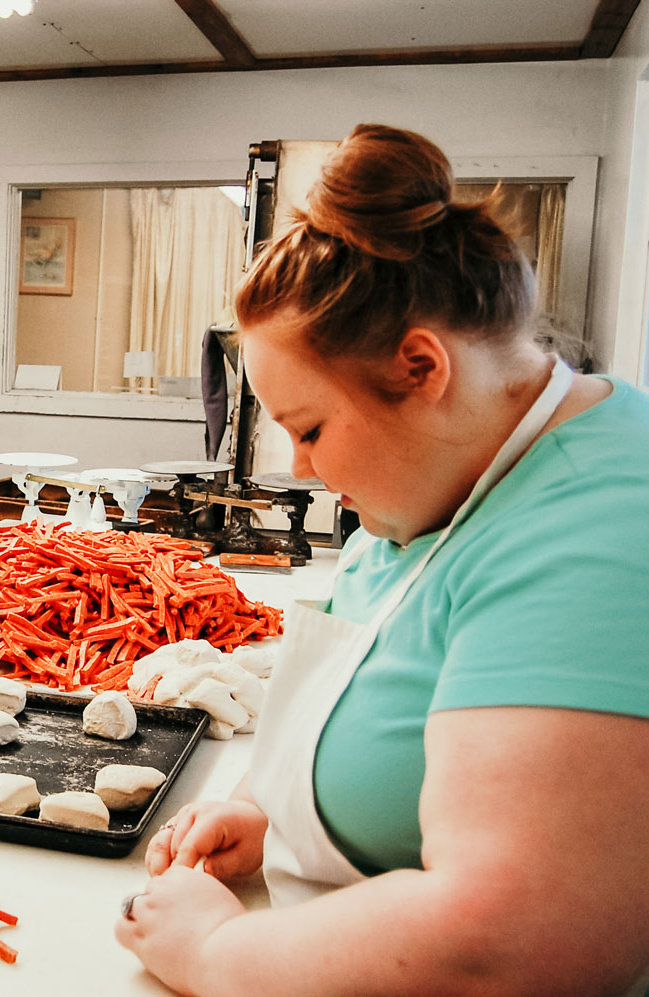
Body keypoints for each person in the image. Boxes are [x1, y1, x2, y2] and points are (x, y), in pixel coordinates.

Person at [115, 124, 649, 995]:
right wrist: (271, 815)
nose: (300, 468)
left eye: (311, 428)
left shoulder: (609, 526)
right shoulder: (429, 486)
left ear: (422, 367)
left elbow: (521, 939)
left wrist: (220, 955)